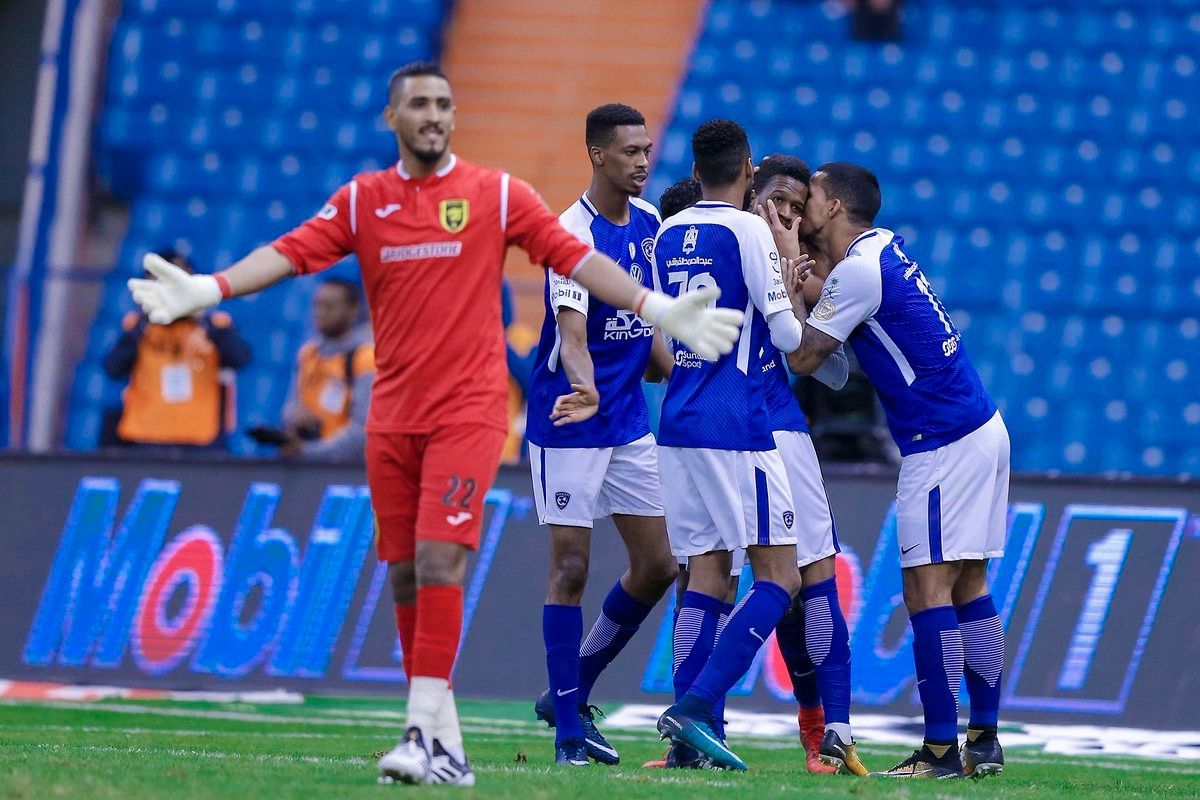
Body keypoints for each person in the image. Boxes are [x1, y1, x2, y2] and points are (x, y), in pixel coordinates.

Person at [126, 62, 743, 788]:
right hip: (418, 412)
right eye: (418, 103)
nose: (433, 113)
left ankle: (460, 729)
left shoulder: (498, 194)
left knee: (478, 559)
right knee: (411, 573)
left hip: (485, 410)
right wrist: (209, 287)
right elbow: (293, 251)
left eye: (444, 103)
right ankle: (447, 731)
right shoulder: (365, 201)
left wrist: (659, 312)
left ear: (454, 117)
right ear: (393, 116)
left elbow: (575, 262)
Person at [786, 162, 1009, 779]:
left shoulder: (857, 269)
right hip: (979, 427)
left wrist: (777, 285)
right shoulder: (878, 255)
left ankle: (940, 751)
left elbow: (805, 356)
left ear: (833, 208)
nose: (803, 209)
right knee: (970, 586)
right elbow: (842, 330)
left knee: (925, 592)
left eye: (813, 198)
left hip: (942, 441)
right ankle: (983, 742)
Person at [650, 119, 806, 772]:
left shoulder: (665, 232)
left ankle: (691, 745)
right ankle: (696, 705)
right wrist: (797, 285)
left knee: (708, 575)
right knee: (779, 577)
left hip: (679, 420)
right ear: (747, 169)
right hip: (737, 424)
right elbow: (789, 339)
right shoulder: (750, 231)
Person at [525, 104, 677, 767]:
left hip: (626, 419)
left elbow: (653, 340)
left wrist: (693, 373)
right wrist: (583, 385)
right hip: (570, 418)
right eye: (630, 152)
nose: (643, 161)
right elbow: (572, 330)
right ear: (597, 156)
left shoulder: (651, 226)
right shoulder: (569, 234)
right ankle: (566, 733)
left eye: (647, 150)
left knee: (658, 564)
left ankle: (572, 690)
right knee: (572, 567)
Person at [749, 154, 866, 776]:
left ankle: (825, 730)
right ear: (751, 194)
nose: (788, 215)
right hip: (712, 437)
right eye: (778, 202)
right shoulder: (719, 245)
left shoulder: (807, 265)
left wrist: (801, 300)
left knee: (801, 588)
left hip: (781, 434)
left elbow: (840, 370)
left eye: (798, 207)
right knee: (700, 580)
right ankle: (692, 732)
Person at [103, 249, 250, 450]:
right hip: (145, 435)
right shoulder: (137, 326)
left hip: (199, 437)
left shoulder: (215, 325)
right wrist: (145, 321)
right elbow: (113, 368)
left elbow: (239, 359)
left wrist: (200, 315)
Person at [279, 278, 375, 461]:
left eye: (329, 306)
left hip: (347, 469)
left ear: (352, 310)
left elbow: (363, 429)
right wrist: (296, 417)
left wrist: (309, 451)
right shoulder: (309, 353)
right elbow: (291, 407)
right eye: (317, 305)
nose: (320, 313)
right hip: (309, 464)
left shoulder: (366, 357)